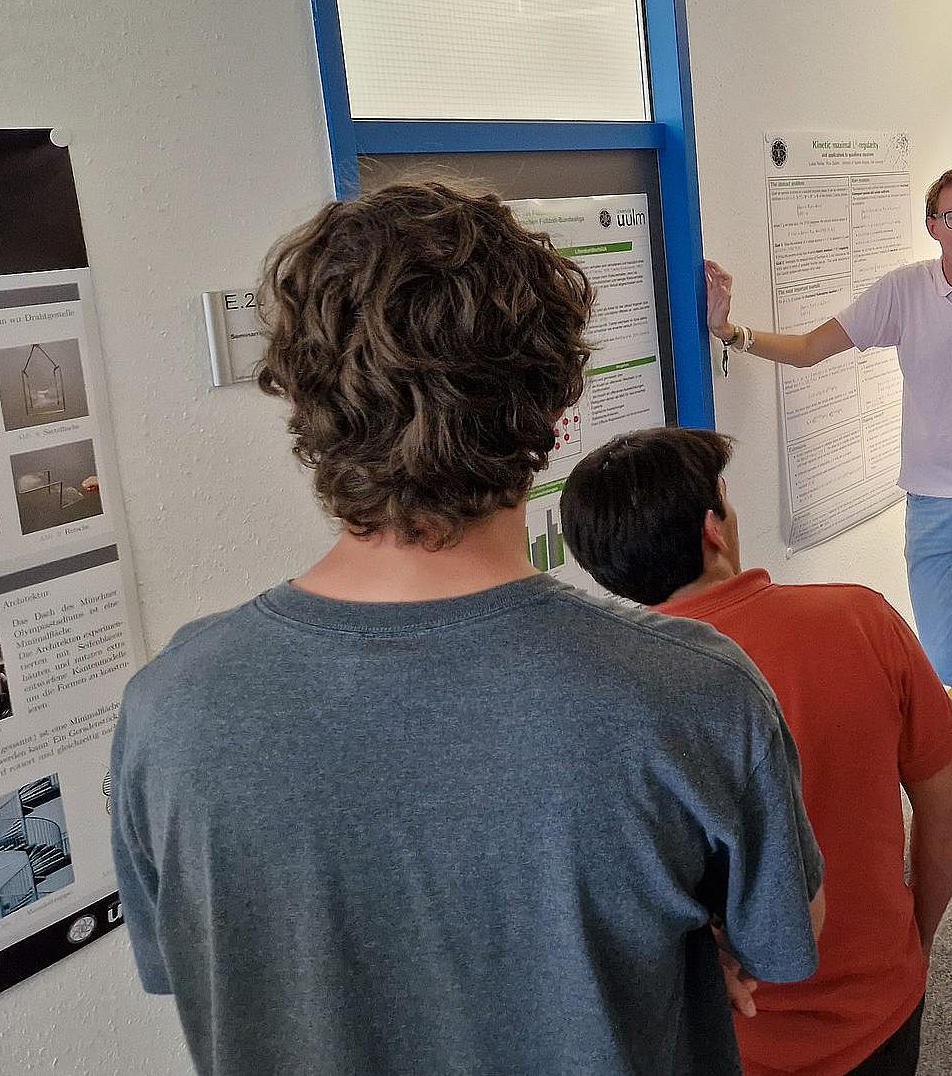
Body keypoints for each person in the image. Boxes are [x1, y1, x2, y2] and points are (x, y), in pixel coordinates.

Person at [109, 182, 826, 1076]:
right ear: (558, 402)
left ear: (302, 397)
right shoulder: (691, 688)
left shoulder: (170, 705)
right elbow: (785, 943)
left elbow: (208, 974)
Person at [559, 427, 952, 1076]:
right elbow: (949, 816)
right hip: (879, 1011)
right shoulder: (863, 619)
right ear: (713, 531)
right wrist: (913, 943)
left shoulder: (605, 702)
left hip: (723, 1040)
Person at [705, 166, 952, 855]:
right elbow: (814, 349)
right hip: (931, 499)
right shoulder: (905, 291)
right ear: (932, 225)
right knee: (947, 656)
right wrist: (733, 333)